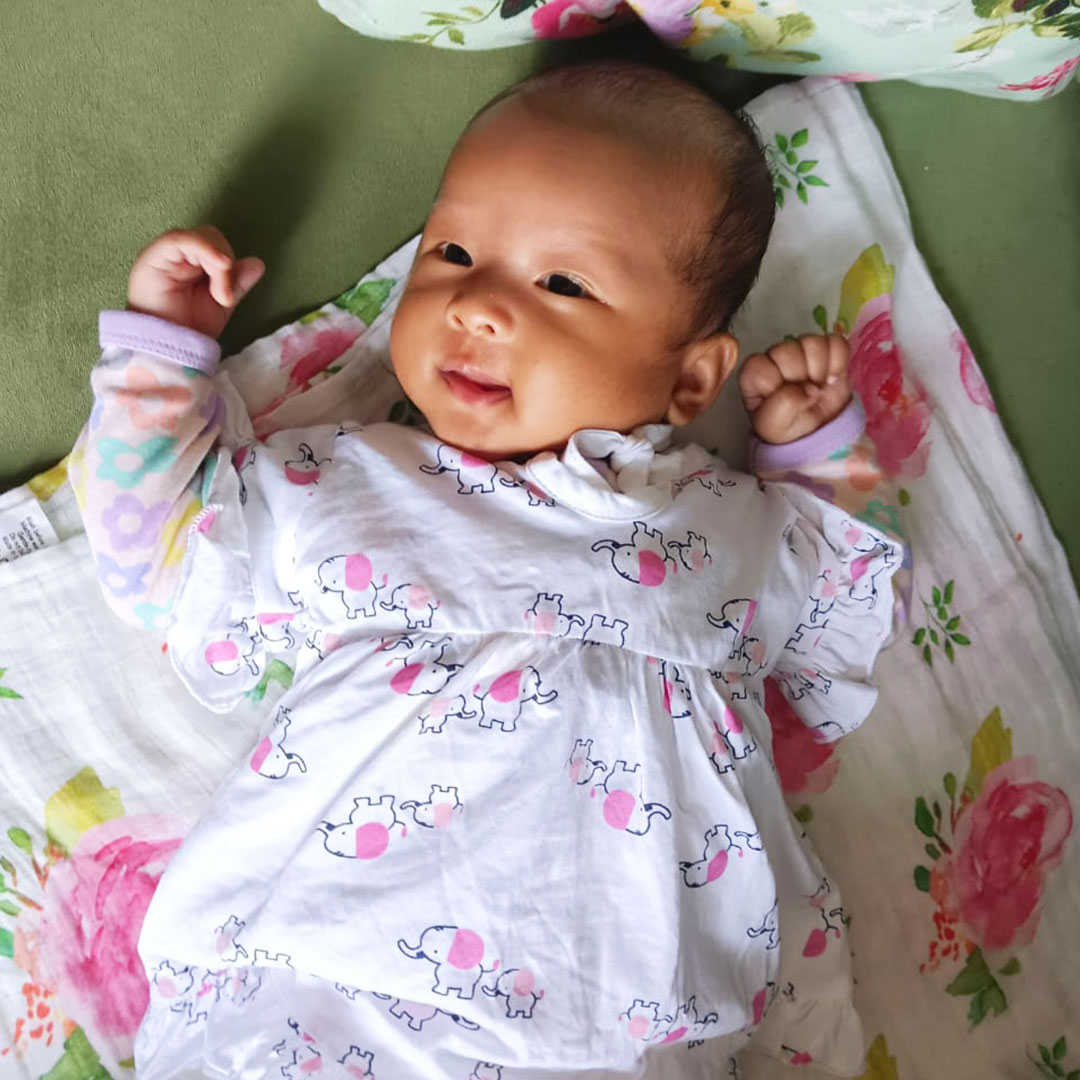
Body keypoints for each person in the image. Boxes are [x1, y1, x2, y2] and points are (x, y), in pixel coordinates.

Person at [70, 60, 901, 1080]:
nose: (477, 306)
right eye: (453, 253)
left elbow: (838, 625)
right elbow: (157, 555)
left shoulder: (721, 527)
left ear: (693, 378)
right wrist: (162, 356)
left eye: (562, 284)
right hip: (333, 998)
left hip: (636, 1024)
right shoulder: (347, 485)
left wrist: (817, 456)